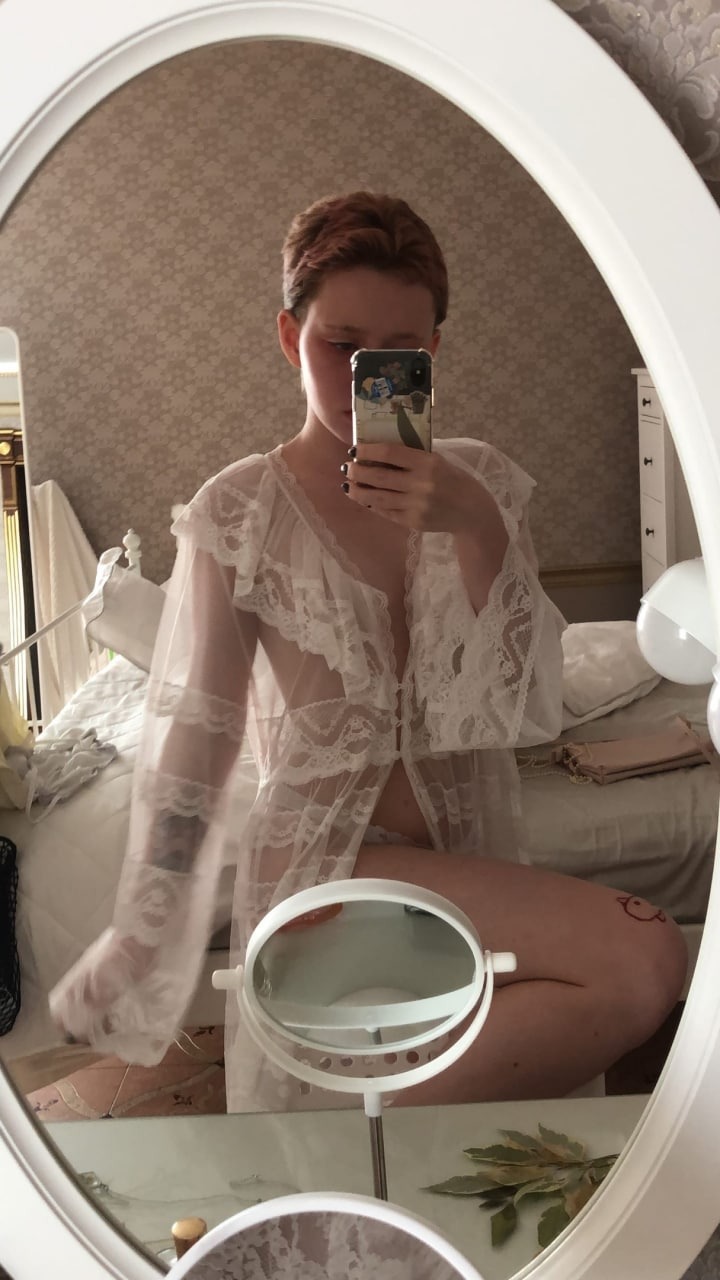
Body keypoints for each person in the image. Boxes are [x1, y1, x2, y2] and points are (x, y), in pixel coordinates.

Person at [50, 192, 687, 1111]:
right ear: (288, 336)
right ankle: (350, 1126)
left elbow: (524, 704)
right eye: (339, 345)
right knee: (643, 956)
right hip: (324, 866)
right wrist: (141, 929)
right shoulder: (240, 511)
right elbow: (198, 738)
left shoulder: (481, 483)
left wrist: (475, 525)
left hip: (471, 849)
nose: (364, 380)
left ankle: (350, 1129)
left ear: (431, 351)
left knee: (575, 1024)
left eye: (398, 353)